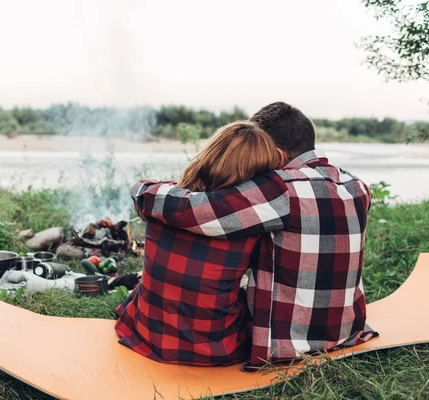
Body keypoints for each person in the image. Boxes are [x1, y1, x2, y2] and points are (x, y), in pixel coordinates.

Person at [131, 102, 377, 367]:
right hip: (346, 330)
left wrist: (144, 190)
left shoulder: (280, 188)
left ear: (278, 155)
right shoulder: (356, 185)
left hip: (290, 343)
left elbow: (193, 211)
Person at [115, 121, 283, 366]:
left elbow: (143, 187)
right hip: (213, 350)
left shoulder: (161, 204)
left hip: (146, 335)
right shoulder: (250, 225)